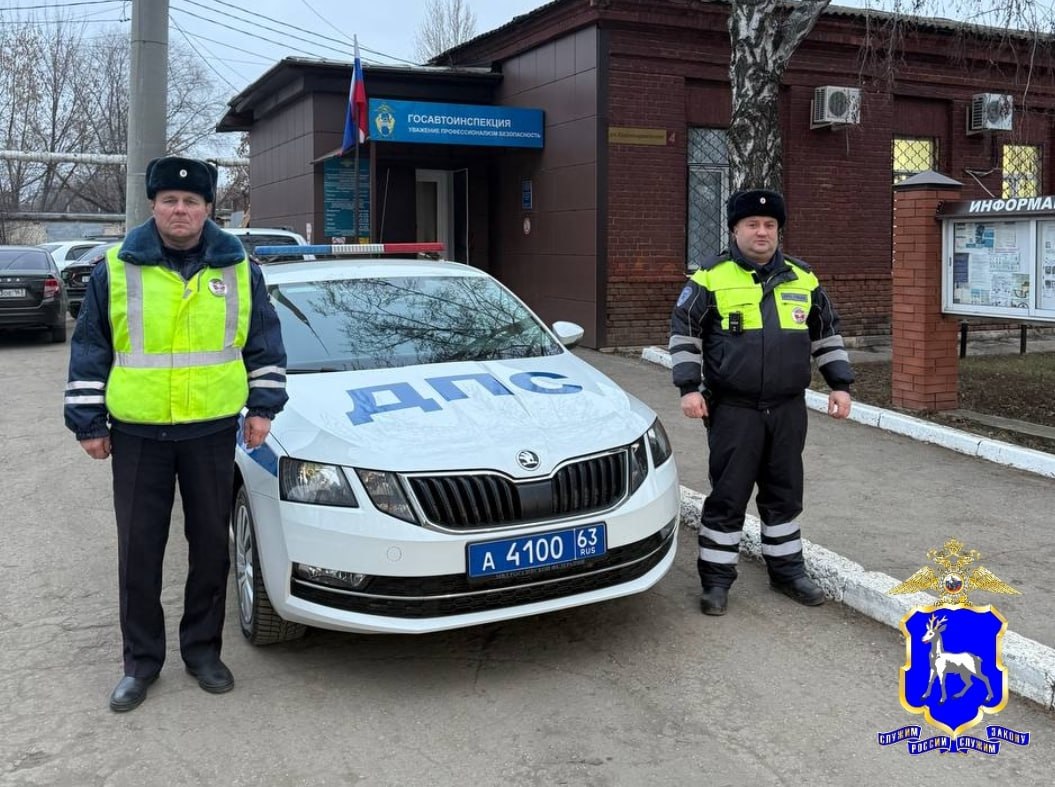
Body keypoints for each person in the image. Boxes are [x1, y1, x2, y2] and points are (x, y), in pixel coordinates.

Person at [64, 156, 288, 711]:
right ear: (153, 205)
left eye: (191, 201)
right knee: (139, 551)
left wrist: (263, 409)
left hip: (211, 431)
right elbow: (90, 347)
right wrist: (88, 420)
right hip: (138, 434)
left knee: (210, 548)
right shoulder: (115, 266)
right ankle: (140, 664)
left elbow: (264, 344)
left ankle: (203, 653)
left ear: (209, 208)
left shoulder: (239, 268)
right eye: (170, 200)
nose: (180, 210)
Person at [669, 189, 853, 616]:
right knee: (729, 496)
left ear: (778, 231)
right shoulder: (710, 277)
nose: (762, 232)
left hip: (787, 408)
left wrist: (840, 385)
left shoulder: (803, 278)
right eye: (752, 224)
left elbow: (826, 334)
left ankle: (787, 572)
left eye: (770, 225)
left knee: (784, 493)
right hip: (733, 410)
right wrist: (689, 388)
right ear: (735, 229)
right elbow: (685, 334)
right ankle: (716, 582)